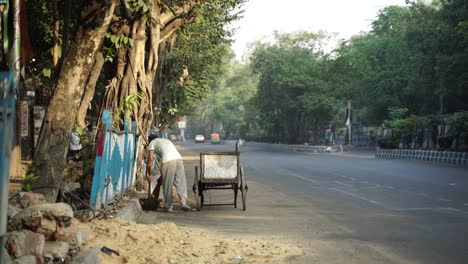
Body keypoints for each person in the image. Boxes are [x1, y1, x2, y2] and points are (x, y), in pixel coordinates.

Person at [146, 134, 191, 212]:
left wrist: (147, 172)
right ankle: (183, 202)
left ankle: (168, 206)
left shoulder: (152, 143)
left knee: (167, 184)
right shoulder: (166, 141)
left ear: (149, 140)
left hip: (168, 161)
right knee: (180, 182)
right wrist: (157, 173)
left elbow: (150, 159)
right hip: (179, 159)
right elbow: (159, 162)